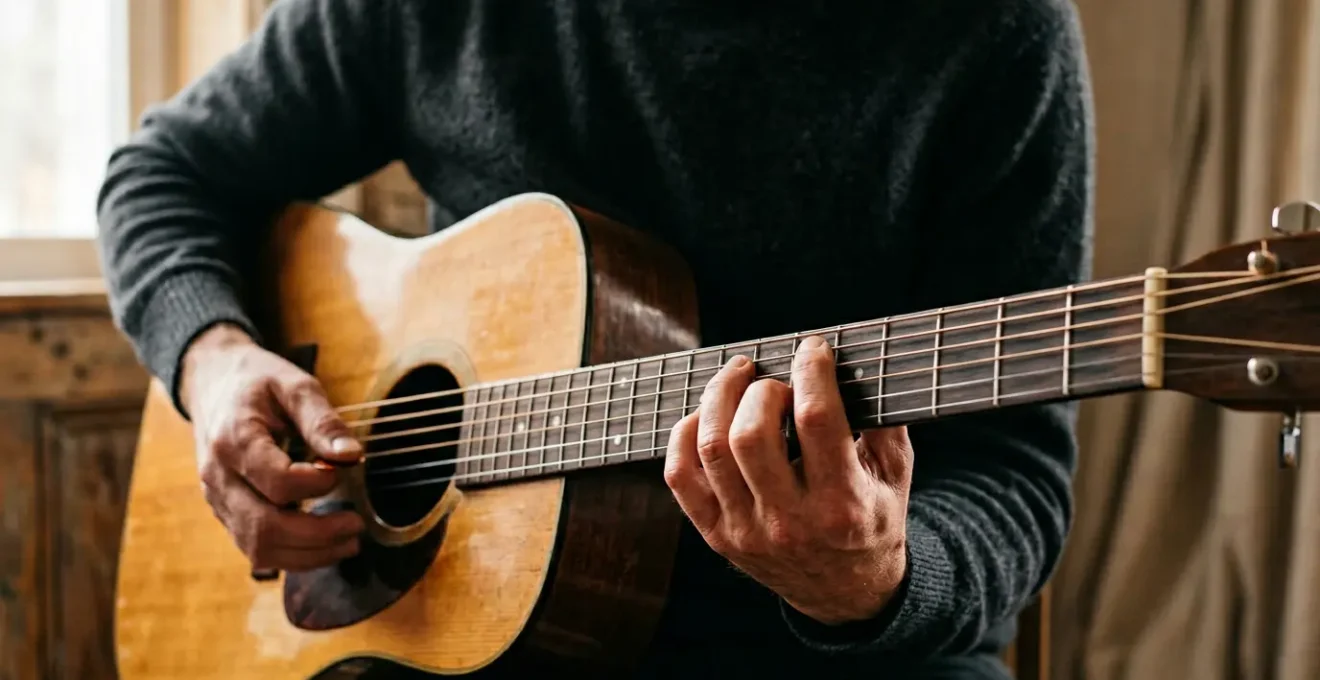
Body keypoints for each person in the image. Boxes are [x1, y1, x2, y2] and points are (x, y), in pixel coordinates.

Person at [95, 1, 1094, 678]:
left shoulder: (997, 32)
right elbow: (163, 172)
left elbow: (1015, 471)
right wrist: (213, 359)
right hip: (448, 631)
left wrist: (878, 578)